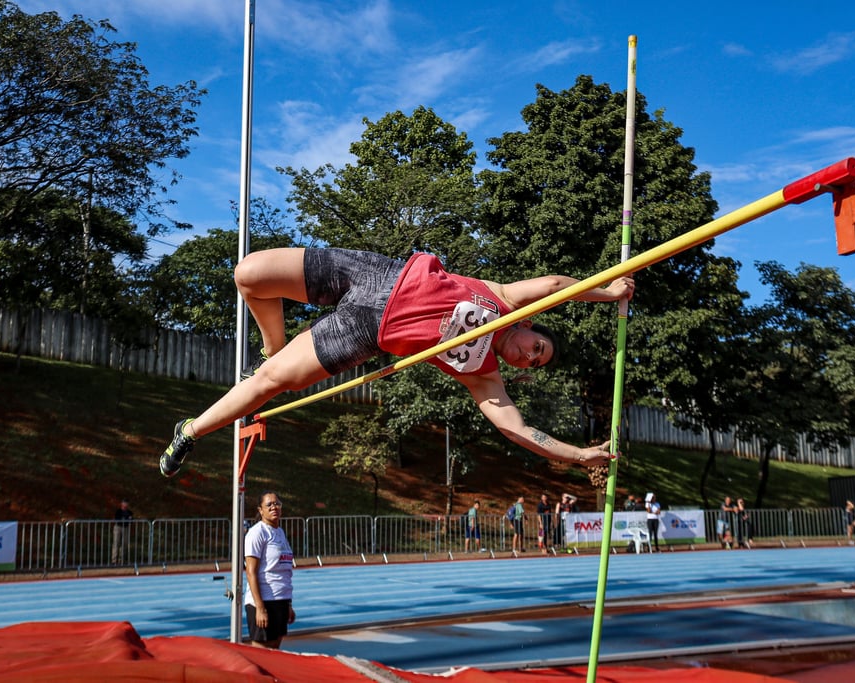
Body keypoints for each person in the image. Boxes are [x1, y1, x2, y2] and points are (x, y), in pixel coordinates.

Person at [159, 248, 634, 477]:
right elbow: (556, 286)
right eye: (537, 348)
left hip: (364, 333)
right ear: (531, 325)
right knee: (248, 274)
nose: (528, 357)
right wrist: (608, 292)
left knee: (270, 383)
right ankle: (272, 346)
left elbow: (517, 429)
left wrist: (579, 455)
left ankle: (189, 431)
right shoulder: (505, 298)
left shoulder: (482, 374)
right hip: (373, 274)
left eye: (532, 364)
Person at [244, 491, 295, 649]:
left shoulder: (280, 532)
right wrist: (260, 608)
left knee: (275, 651)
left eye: (277, 503)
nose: (274, 507)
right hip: (264, 601)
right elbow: (251, 572)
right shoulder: (257, 533)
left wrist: (288, 604)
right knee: (262, 653)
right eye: (269, 505)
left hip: (281, 600)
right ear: (260, 510)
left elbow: (284, 571)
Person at [110, 499, 133, 565]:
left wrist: (127, 519)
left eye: (126, 503)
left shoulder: (129, 512)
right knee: (116, 543)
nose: (125, 505)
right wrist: (125, 519)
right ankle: (114, 560)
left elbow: (131, 519)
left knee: (124, 544)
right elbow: (117, 519)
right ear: (122, 504)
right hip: (118, 527)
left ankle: (122, 560)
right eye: (124, 503)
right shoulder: (118, 511)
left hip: (125, 528)